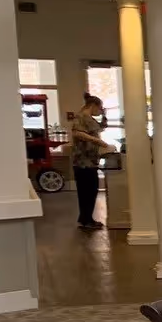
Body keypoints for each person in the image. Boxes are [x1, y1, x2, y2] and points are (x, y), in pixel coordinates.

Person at [68, 93, 111, 230]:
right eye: (99, 108)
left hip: (91, 161)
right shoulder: (80, 117)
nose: (100, 111)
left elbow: (101, 127)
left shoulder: (90, 119)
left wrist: (104, 115)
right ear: (93, 106)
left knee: (91, 191)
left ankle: (86, 218)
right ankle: (86, 220)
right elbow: (77, 133)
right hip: (83, 162)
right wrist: (97, 141)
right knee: (87, 191)